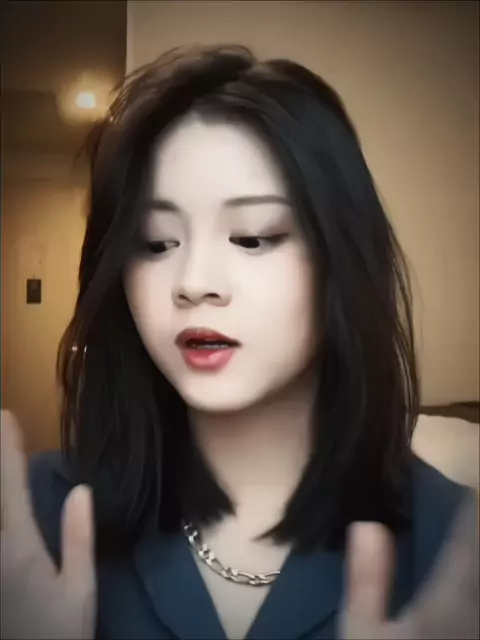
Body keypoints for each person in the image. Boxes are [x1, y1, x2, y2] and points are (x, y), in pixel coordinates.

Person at [1, 44, 478, 640]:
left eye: (252, 238)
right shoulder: (34, 520)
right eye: (156, 243)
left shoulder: (456, 545)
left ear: (341, 258)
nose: (194, 282)